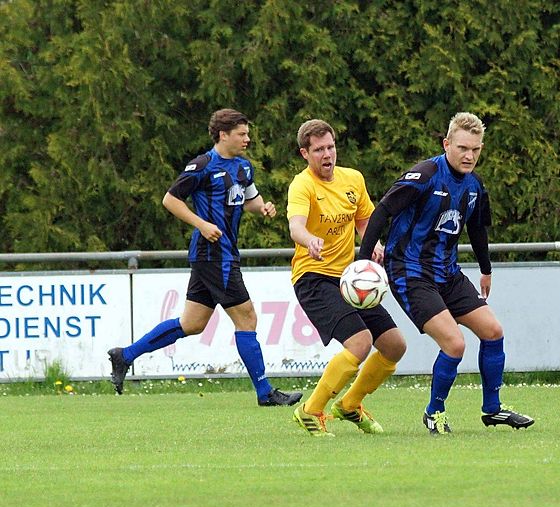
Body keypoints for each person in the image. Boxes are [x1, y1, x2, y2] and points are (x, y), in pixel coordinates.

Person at [107, 109, 302, 407]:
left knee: (193, 322)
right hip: (214, 255)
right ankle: (266, 393)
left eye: (247, 133)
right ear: (223, 135)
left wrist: (262, 209)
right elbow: (170, 199)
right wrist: (200, 223)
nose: (247, 138)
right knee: (247, 317)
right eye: (242, 134)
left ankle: (125, 355)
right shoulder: (203, 165)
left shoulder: (243, 168)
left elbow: (249, 200)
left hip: (218, 254)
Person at [357, 112, 534, 435]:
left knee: (493, 331)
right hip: (409, 272)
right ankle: (433, 412)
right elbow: (382, 210)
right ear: (446, 144)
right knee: (454, 343)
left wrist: (485, 269)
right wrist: (364, 260)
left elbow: (478, 229)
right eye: (463, 148)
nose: (469, 156)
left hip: (448, 273)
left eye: (476, 150)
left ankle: (492, 409)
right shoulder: (424, 175)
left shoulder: (475, 186)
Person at [287, 119, 407, 437]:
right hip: (312, 277)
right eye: (319, 149)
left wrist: (375, 244)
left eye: (331, 147)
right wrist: (308, 239)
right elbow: (295, 225)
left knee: (394, 345)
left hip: (348, 279)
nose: (327, 154)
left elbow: (365, 221)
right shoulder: (303, 185)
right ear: (305, 153)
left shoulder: (352, 179)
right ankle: (311, 410)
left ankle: (349, 405)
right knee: (360, 341)